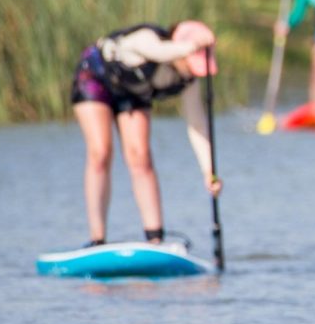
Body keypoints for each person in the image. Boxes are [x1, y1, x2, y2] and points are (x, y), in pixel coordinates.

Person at [70, 20, 222, 245]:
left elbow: (197, 126)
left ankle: (155, 239)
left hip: (133, 93)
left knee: (140, 156)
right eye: (193, 60)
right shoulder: (147, 38)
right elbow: (158, 52)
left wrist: (209, 171)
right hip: (95, 77)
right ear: (181, 49)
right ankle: (97, 238)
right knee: (100, 152)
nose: (193, 71)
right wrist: (191, 46)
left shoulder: (188, 80)